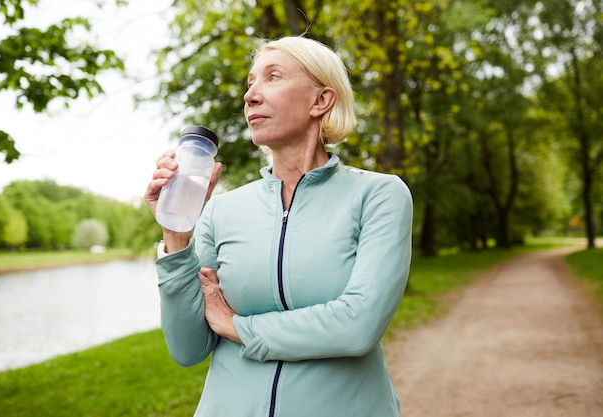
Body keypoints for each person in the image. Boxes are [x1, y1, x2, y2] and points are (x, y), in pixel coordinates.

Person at [144, 35, 413, 417]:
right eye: (250, 82)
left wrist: (237, 326)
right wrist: (176, 232)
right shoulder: (220, 211)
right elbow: (187, 349)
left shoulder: (379, 195)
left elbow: (357, 325)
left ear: (321, 100)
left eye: (273, 77)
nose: (251, 95)